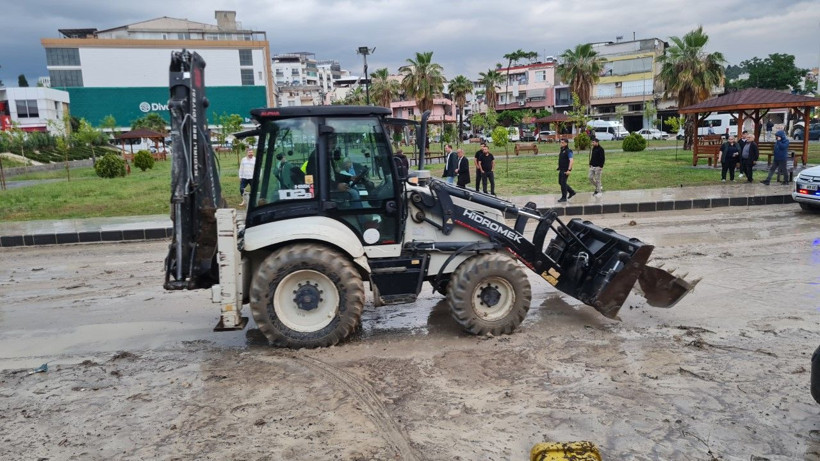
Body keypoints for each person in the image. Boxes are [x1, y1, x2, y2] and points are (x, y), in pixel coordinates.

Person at [556, 138, 576, 203]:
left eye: (562, 142)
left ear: (566, 143)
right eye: (560, 142)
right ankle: (571, 192)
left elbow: (571, 160)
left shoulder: (568, 151)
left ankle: (564, 197)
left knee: (563, 183)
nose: (561, 143)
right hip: (561, 169)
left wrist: (569, 170)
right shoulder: (562, 150)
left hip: (565, 170)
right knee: (560, 182)